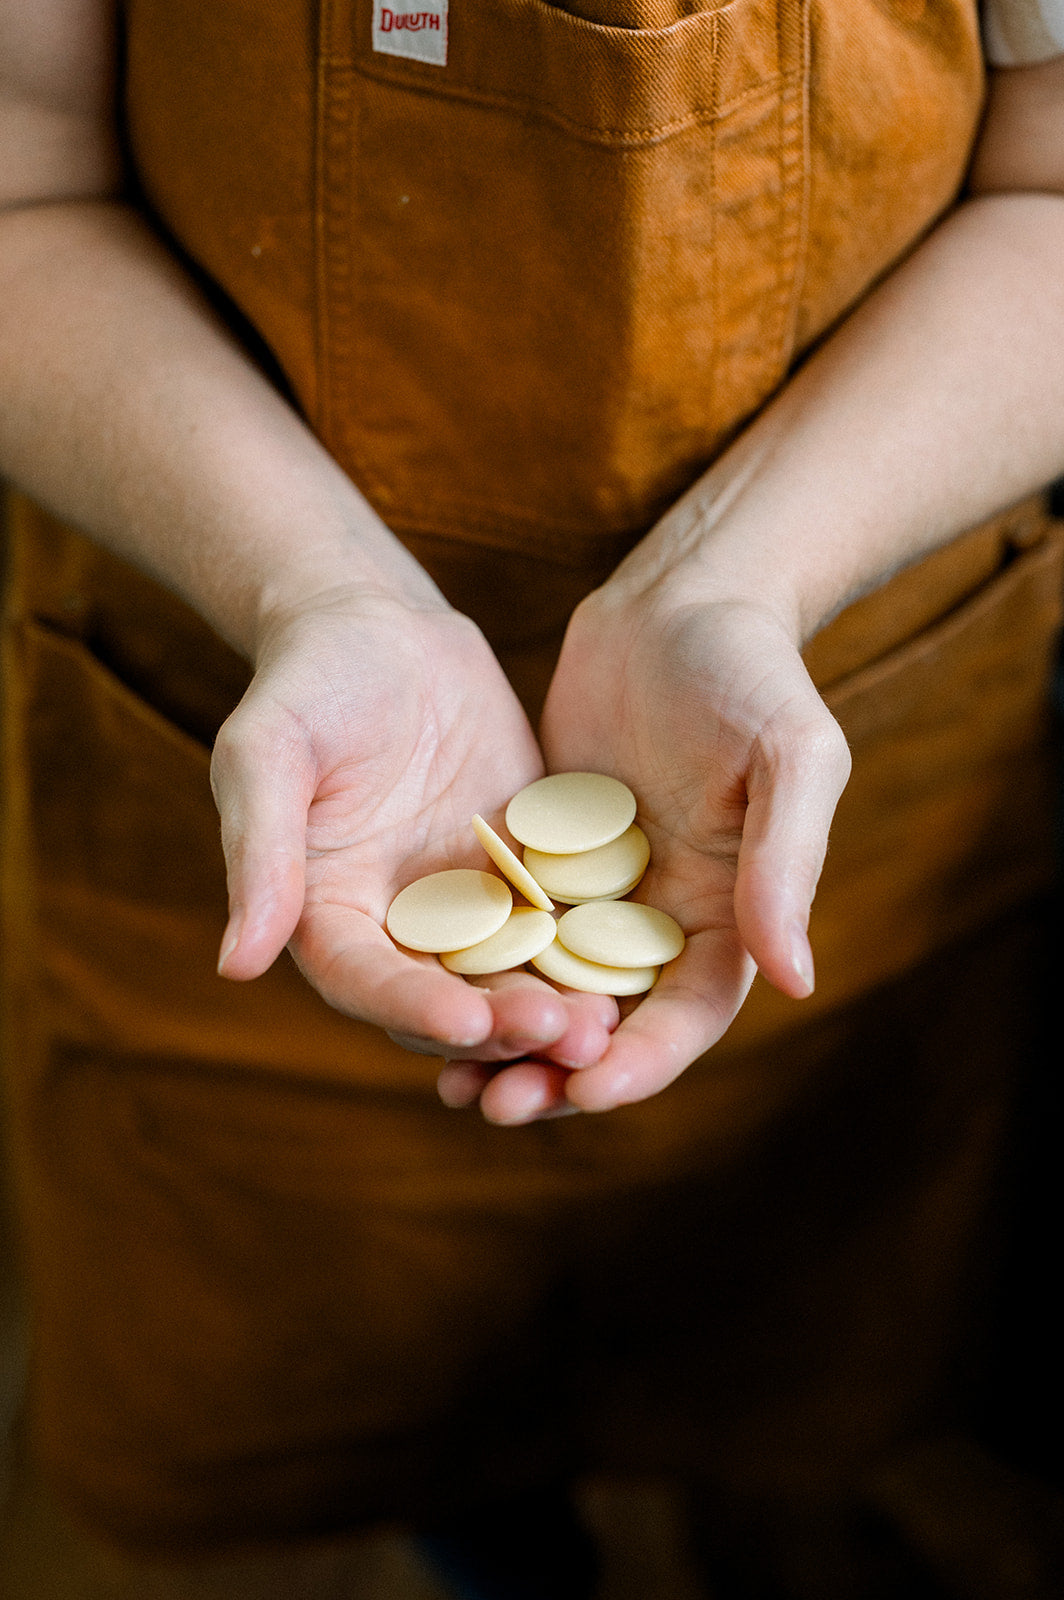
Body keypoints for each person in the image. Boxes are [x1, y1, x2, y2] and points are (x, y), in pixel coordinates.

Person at [1, 0, 1063, 1592]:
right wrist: (316, 593)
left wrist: (737, 582)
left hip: (859, 685)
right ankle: (480, 1536)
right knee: (376, 1359)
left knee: (796, 1309)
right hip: (228, 695)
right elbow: (23, 192)